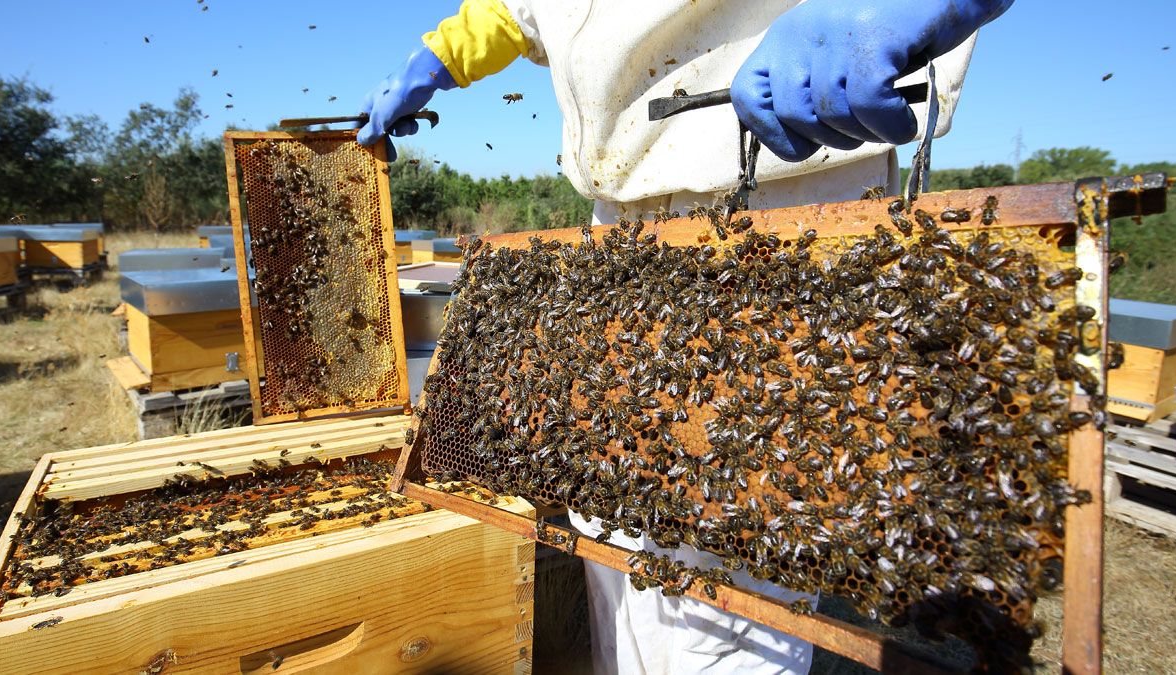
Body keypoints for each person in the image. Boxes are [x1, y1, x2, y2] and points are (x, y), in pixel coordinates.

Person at [357, 1, 1014, 673]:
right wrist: (442, 55)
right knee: (609, 514)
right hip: (622, 229)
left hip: (791, 196)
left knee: (743, 552)